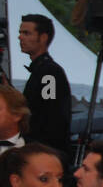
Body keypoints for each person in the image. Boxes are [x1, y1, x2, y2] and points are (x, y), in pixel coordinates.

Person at [18, 14, 71, 157]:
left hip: (45, 152)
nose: (20, 37)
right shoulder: (41, 70)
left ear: (43, 38)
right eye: (20, 33)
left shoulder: (49, 72)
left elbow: (50, 114)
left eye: (26, 33)